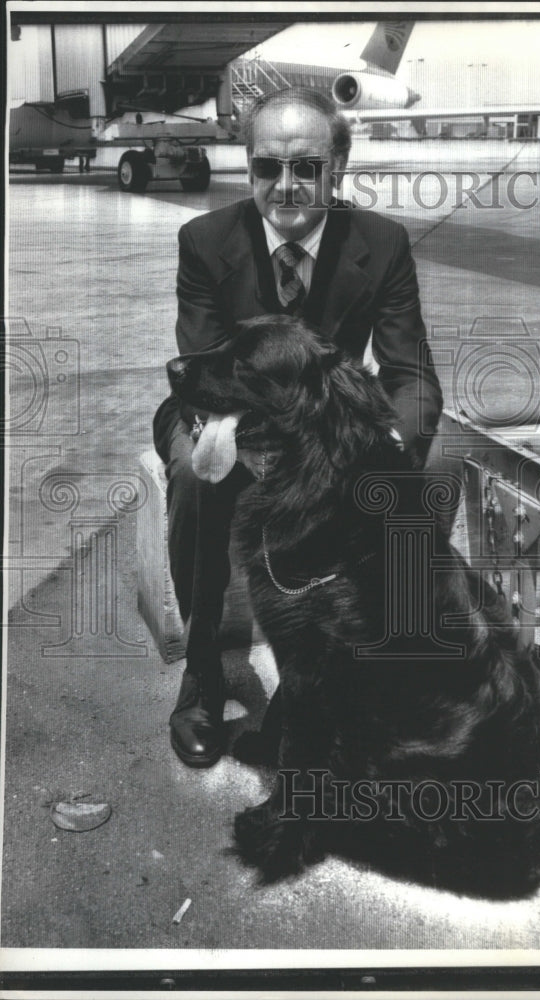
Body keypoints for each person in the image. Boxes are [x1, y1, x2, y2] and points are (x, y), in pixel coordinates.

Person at [153, 87, 443, 768]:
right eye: (264, 168)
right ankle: (203, 674)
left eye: (305, 167)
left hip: (321, 427)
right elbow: (200, 367)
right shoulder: (204, 240)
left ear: (335, 167)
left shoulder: (381, 244)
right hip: (220, 410)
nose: (284, 186)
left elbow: (413, 376)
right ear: (248, 166)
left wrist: (387, 452)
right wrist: (260, 461)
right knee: (200, 482)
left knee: (398, 489)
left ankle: (315, 688)